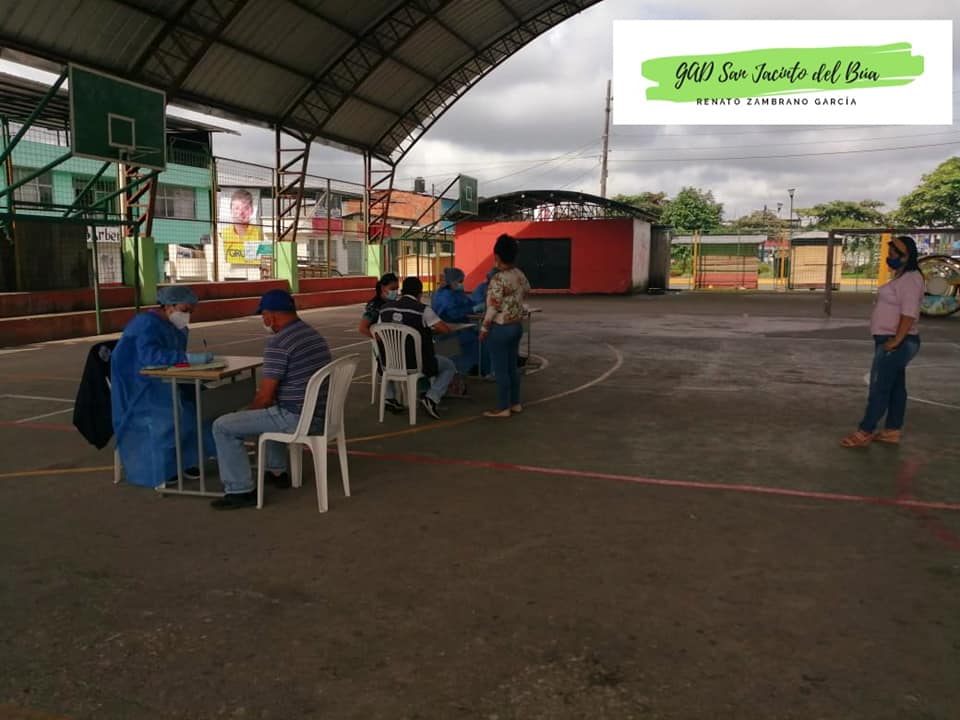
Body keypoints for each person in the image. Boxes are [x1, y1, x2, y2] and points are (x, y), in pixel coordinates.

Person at [211, 289, 331, 509]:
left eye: (263, 315)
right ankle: (276, 471)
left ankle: (240, 490)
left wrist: (248, 414)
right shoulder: (311, 334)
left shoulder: (280, 343)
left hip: (297, 417)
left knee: (223, 426)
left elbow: (264, 397)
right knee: (270, 410)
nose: (263, 320)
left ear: (271, 316)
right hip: (321, 414)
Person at [110, 285, 215, 488]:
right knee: (174, 416)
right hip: (140, 386)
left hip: (166, 381)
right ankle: (164, 466)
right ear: (168, 306)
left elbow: (175, 357)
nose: (187, 315)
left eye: (190, 311)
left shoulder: (176, 327)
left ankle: (187, 460)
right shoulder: (145, 324)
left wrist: (189, 362)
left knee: (202, 406)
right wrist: (186, 359)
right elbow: (150, 356)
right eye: (184, 310)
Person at [840, 235, 925, 447]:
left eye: (893, 254)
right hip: (890, 339)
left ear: (905, 256)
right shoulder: (901, 277)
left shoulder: (911, 279)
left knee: (879, 387)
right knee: (896, 388)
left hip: (898, 341)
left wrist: (896, 340)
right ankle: (892, 430)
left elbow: (909, 314)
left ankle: (865, 431)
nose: (889, 257)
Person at [378, 276, 456, 420]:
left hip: (390, 362)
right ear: (420, 294)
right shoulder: (423, 310)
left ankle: (392, 397)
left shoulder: (384, 309)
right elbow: (445, 329)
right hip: (416, 363)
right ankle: (431, 397)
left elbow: (379, 333)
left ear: (402, 291)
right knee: (449, 366)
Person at [479, 234, 531, 418]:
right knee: (512, 367)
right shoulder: (519, 274)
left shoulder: (498, 279)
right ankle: (515, 403)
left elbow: (493, 307)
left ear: (497, 256)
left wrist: (484, 329)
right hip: (516, 326)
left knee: (500, 370)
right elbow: (527, 289)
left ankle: (503, 407)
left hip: (500, 328)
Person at [358, 273, 404, 413]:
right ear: (383, 288)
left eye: (397, 289)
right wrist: (381, 339)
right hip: (382, 344)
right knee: (389, 361)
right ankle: (389, 397)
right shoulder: (375, 306)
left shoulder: (395, 303)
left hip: (397, 341)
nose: (395, 292)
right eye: (392, 288)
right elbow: (363, 328)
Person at [432, 267, 483, 376]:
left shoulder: (457, 292)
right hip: (448, 334)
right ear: (452, 281)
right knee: (473, 341)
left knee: (478, 337)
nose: (461, 284)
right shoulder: (443, 295)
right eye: (460, 281)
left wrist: (479, 305)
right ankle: (466, 370)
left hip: (461, 329)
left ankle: (473, 368)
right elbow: (453, 313)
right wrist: (473, 309)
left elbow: (468, 303)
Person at [221, 189, 262, 265]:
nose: (241, 212)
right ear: (231, 211)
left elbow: (265, 262)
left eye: (246, 208)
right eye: (237, 208)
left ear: (252, 210)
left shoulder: (259, 234)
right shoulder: (223, 235)